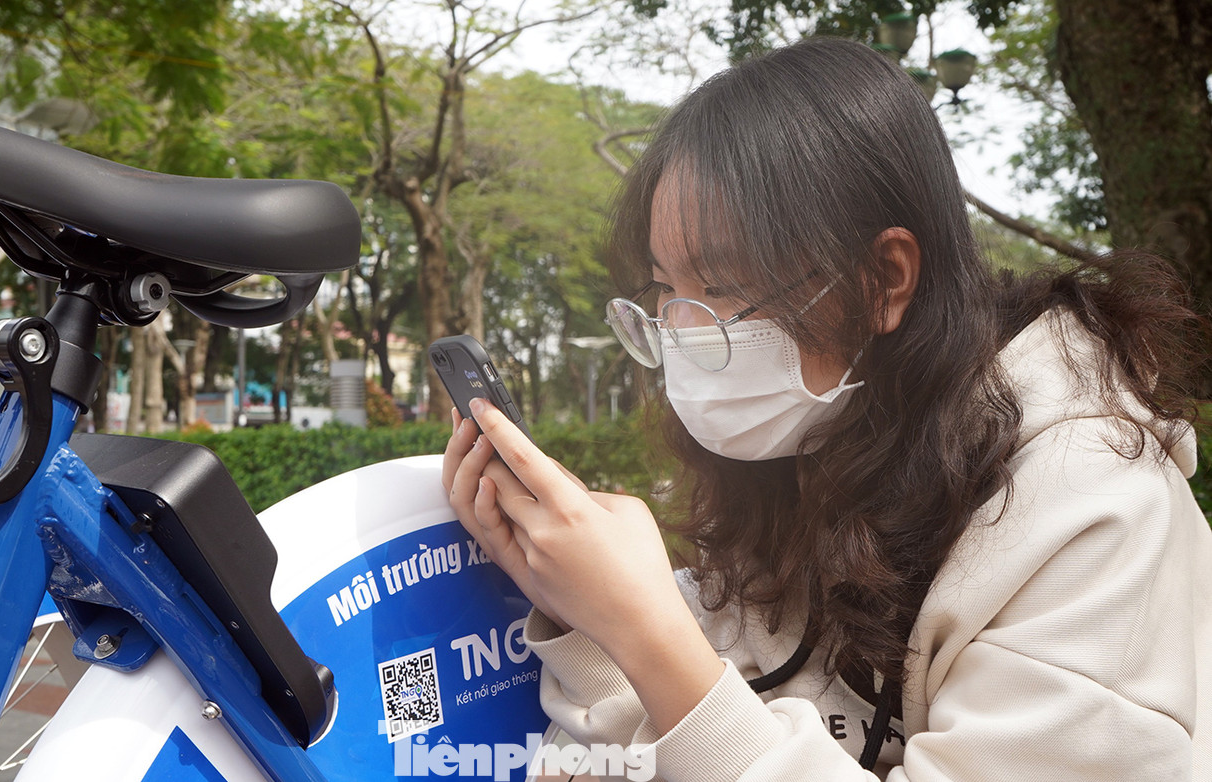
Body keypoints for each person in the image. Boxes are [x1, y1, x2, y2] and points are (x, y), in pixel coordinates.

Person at [441, 36, 1212, 781]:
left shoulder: (1093, 505)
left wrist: (645, 631)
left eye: (723, 287)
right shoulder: (798, 454)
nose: (684, 336)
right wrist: (589, 618)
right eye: (667, 290)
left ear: (884, 278)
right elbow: (677, 746)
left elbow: (700, 716)